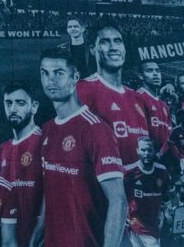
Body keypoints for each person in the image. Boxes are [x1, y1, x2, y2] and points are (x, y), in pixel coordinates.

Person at [38, 47, 126, 247]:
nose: (50, 80)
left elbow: (118, 202)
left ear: (75, 76)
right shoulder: (48, 129)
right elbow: (50, 192)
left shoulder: (95, 130)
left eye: (58, 73)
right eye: (45, 73)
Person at [76, 26, 150, 166]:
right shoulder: (83, 90)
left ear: (124, 49)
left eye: (117, 41)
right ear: (93, 50)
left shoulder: (137, 98)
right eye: (105, 42)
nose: (113, 47)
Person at [0, 82, 43, 247]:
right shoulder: (4, 148)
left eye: (20, 103)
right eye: (8, 103)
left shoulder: (45, 142)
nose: (13, 109)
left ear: (34, 106)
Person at [123, 137, 170, 247]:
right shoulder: (128, 172)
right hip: (136, 222)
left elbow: (167, 194)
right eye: (143, 150)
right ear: (137, 151)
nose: (146, 153)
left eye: (149, 150)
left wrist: (167, 210)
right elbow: (118, 196)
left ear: (154, 151)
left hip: (155, 222)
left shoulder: (162, 172)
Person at [135, 61, 172, 151]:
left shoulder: (163, 105)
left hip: (165, 158)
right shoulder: (137, 97)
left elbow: (169, 136)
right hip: (148, 157)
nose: (155, 74)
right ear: (141, 76)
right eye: (150, 71)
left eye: (157, 71)